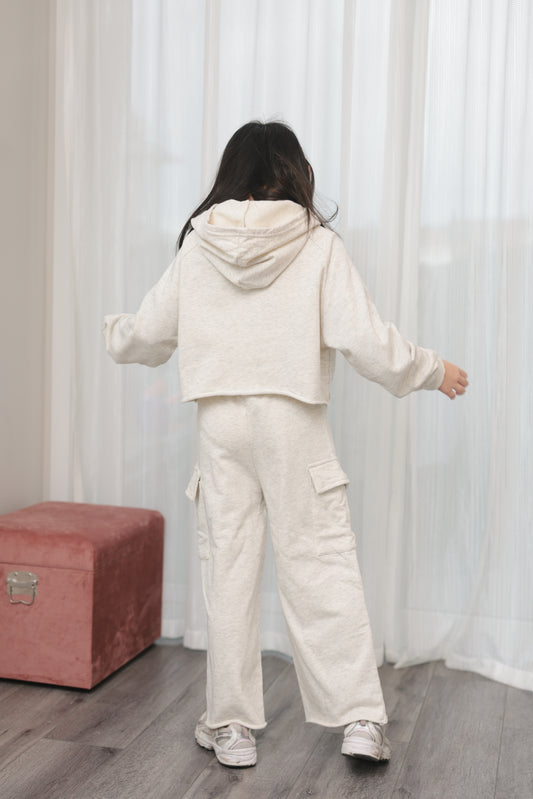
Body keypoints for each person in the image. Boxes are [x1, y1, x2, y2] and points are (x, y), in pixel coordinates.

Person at [103, 120, 468, 769]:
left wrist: (115, 334)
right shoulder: (316, 242)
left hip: (220, 422)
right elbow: (364, 339)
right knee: (319, 561)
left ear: (230, 172)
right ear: (297, 172)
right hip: (292, 419)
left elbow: (151, 331)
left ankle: (231, 726)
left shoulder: (199, 241)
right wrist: (430, 369)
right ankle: (359, 718)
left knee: (229, 570)